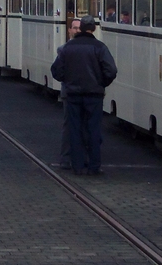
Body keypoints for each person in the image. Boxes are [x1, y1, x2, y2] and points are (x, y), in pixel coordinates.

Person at [50, 15, 117, 176]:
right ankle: (94, 166)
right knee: (93, 129)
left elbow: (56, 70)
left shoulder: (68, 48)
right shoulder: (100, 47)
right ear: (93, 28)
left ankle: (77, 166)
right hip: (94, 95)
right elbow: (111, 70)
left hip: (73, 94)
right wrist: (101, 83)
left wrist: (67, 80)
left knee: (74, 129)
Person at [50, 17, 81, 171]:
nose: (76, 30)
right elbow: (56, 70)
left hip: (74, 91)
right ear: (69, 30)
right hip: (70, 92)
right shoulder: (63, 49)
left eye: (78, 28)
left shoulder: (65, 49)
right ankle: (66, 158)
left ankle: (75, 157)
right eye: (74, 28)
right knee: (69, 126)